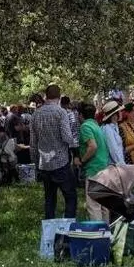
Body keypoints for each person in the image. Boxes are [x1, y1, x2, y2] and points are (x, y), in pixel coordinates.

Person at [31, 84, 77, 220]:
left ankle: (49, 232)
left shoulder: (35, 114)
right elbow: (67, 137)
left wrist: (35, 162)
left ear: (46, 96)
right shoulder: (61, 112)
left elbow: (33, 143)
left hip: (44, 163)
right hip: (60, 162)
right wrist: (75, 145)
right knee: (70, 196)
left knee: (49, 199)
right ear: (59, 96)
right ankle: (67, 227)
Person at [77, 103, 110, 221]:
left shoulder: (85, 127)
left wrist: (82, 160)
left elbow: (92, 146)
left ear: (80, 115)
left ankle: (97, 235)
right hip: (104, 167)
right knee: (104, 204)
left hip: (94, 169)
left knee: (93, 205)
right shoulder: (96, 126)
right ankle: (106, 233)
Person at [100, 100, 126, 166]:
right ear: (114, 115)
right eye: (119, 111)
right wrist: (123, 166)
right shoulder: (107, 129)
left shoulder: (114, 126)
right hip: (113, 166)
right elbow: (113, 150)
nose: (121, 113)